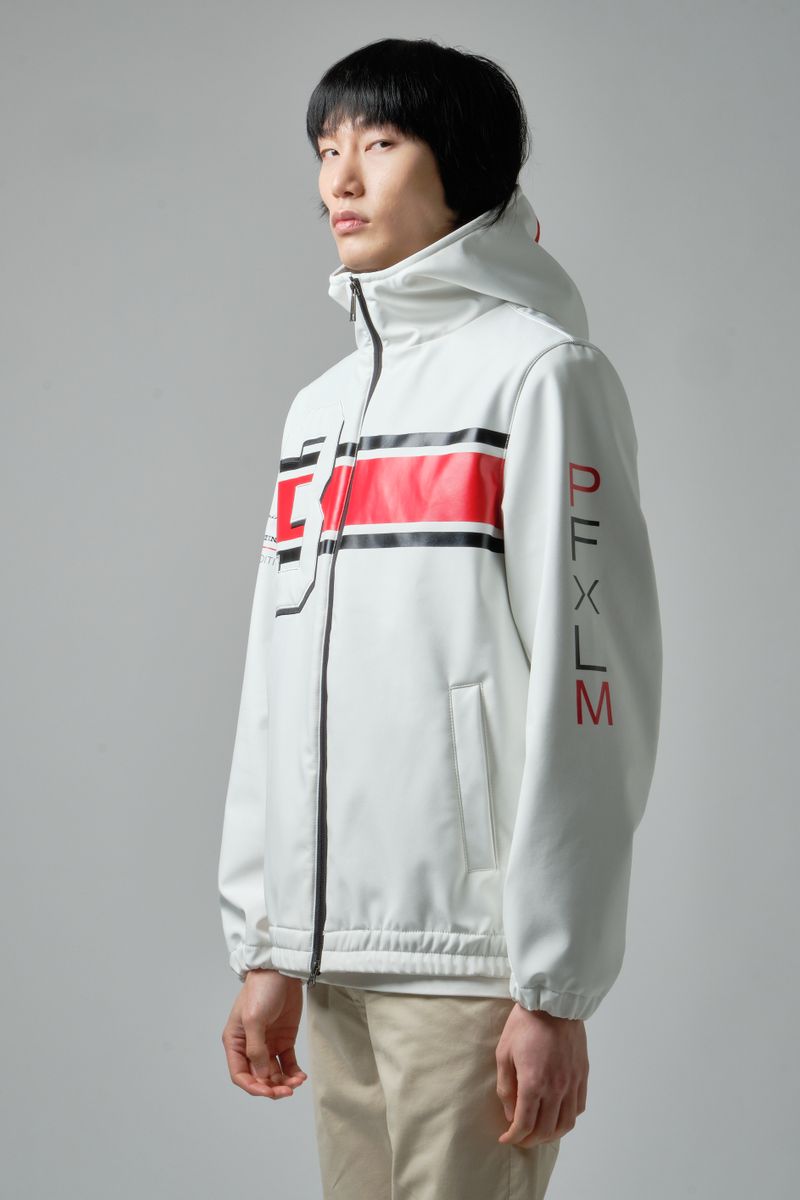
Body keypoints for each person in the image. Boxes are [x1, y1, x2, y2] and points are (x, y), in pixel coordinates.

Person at [217, 36, 663, 1200]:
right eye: (325, 149)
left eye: (378, 143)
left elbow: (590, 688)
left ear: (459, 163)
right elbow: (275, 686)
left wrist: (550, 985)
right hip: (332, 960)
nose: (339, 179)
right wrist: (268, 941)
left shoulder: (540, 377)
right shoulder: (317, 414)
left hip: (469, 964)